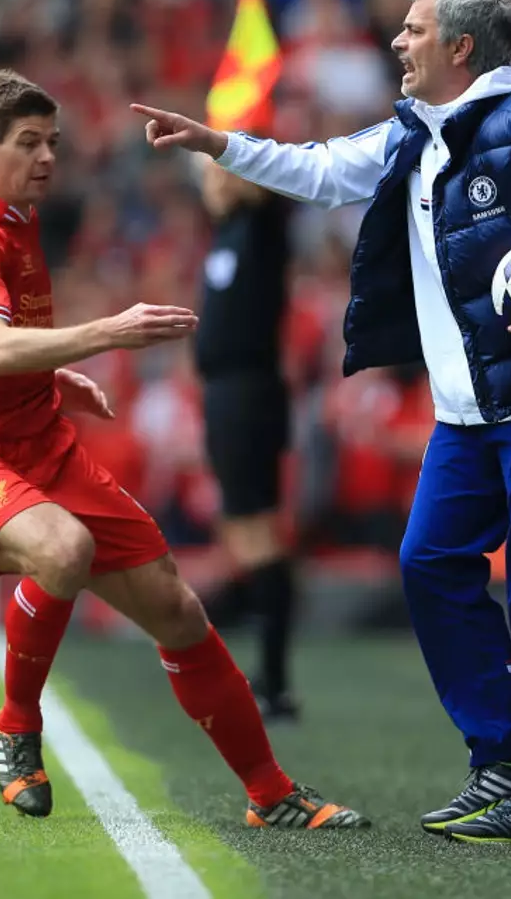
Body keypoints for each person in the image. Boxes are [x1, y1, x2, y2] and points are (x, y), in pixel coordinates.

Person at [132, 0, 511, 843]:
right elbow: (324, 170)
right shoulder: (421, 131)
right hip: (466, 405)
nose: (398, 43)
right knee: (429, 561)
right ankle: (499, 754)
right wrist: (220, 142)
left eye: (414, 31)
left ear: (460, 48)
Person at [0, 69, 368, 830]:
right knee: (64, 546)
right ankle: (16, 726)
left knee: (178, 609)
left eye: (53, 141)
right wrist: (103, 336)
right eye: (29, 143)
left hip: (40, 441)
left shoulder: (18, 215)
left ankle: (270, 792)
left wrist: (54, 377)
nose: (48, 157)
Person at [193, 162, 299, 721]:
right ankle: (262, 666)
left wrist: (229, 152)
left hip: (248, 391)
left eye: (215, 171)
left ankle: (274, 680)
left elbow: (269, 186)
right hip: (223, 393)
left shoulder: (262, 224)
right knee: (241, 526)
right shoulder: (226, 232)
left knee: (258, 527)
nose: (208, 183)